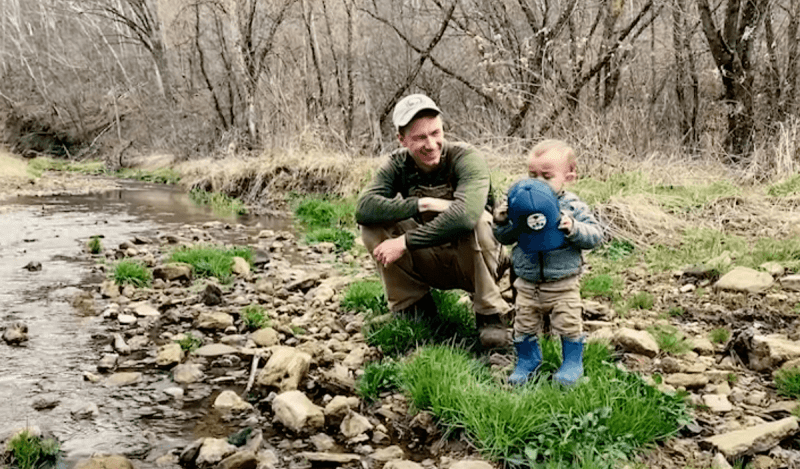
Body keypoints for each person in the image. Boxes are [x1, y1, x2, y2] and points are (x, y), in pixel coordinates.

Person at [355, 94, 512, 348]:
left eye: (435, 133)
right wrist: (422, 203)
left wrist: (405, 242)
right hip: (432, 257)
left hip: (479, 258)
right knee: (372, 226)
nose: (431, 144)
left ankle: (490, 316)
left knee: (478, 221)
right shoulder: (397, 165)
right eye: (420, 138)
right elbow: (364, 209)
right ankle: (414, 309)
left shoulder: (466, 157)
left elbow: (466, 216)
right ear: (402, 139)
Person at [493, 139, 603, 386]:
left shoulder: (572, 206)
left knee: (569, 322)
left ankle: (572, 363)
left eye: (547, 176)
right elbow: (505, 238)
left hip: (563, 282)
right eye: (532, 175)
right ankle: (527, 360)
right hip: (527, 281)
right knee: (523, 322)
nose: (538, 182)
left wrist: (573, 227)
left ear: (569, 177)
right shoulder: (520, 205)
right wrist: (501, 221)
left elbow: (595, 236)